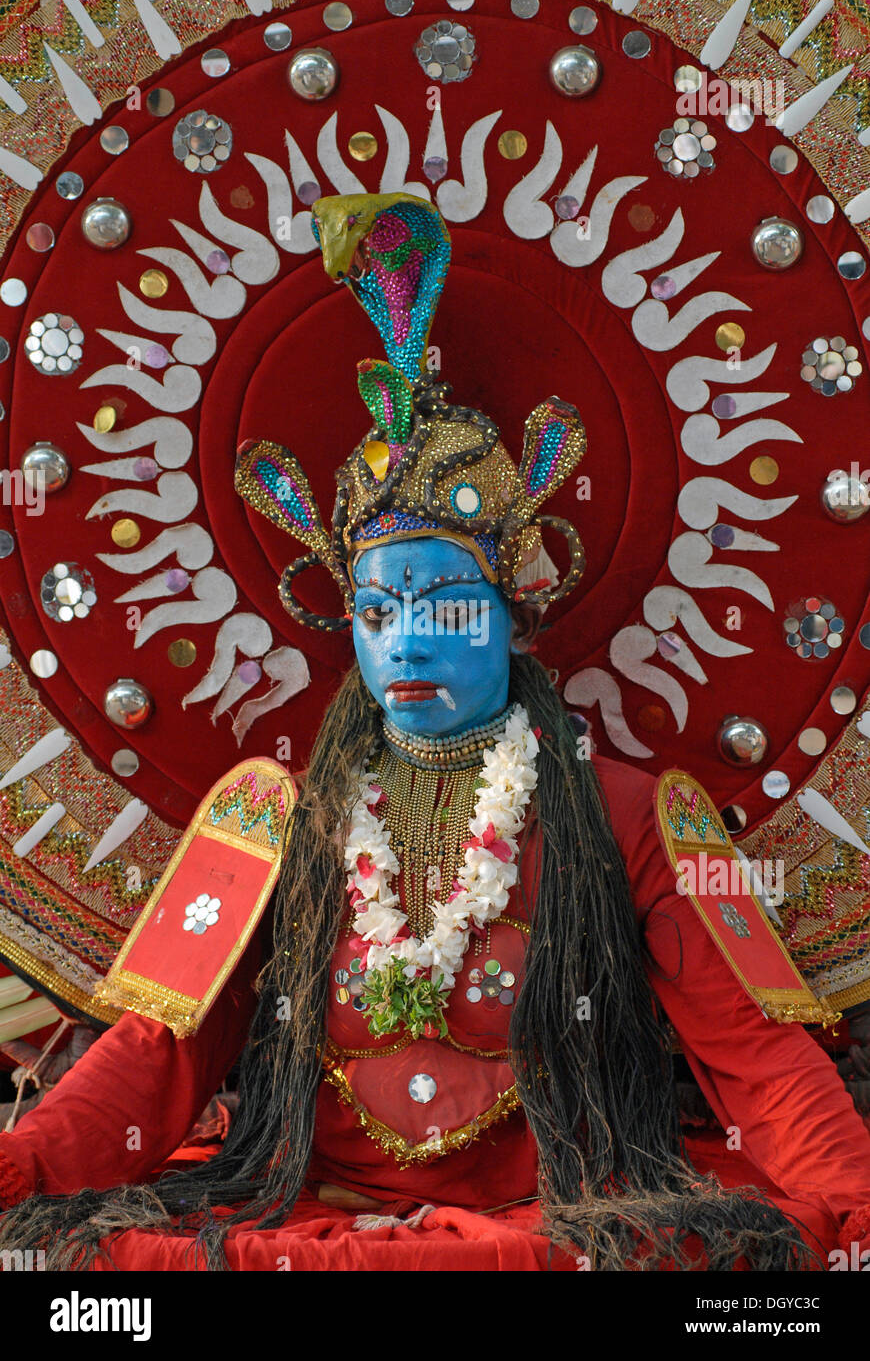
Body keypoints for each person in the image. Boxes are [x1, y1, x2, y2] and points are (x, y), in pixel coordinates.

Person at [1, 193, 869, 1273]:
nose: (406, 643)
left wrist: (855, 1206)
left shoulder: (631, 811)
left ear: (515, 606)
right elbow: (155, 1058)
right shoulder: (277, 815)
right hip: (302, 1211)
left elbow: (760, 1056)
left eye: (447, 604)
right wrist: (19, 1172)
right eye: (376, 612)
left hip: (558, 1220)